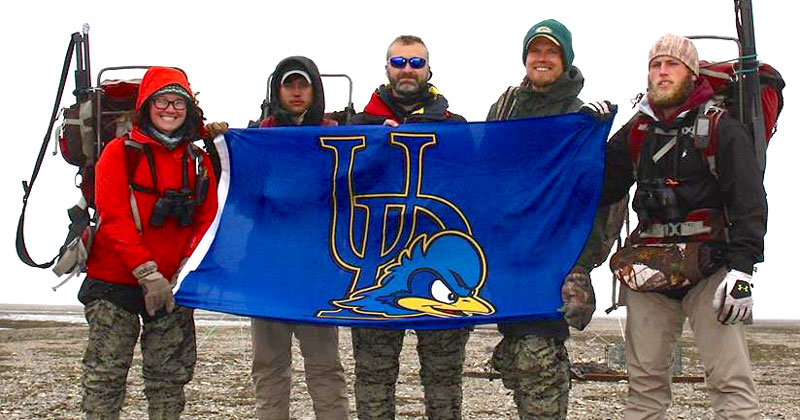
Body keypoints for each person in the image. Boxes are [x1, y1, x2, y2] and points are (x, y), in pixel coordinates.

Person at [601, 34, 765, 419]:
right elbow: (603, 185)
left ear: (691, 73)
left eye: (671, 65)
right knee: (644, 391)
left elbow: (749, 200)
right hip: (648, 271)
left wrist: (743, 269)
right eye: (655, 65)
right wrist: (589, 133)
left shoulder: (721, 128)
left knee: (730, 385)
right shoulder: (638, 131)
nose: (662, 72)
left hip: (712, 269)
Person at [207, 56, 349, 420]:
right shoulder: (257, 137)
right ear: (277, 90)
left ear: (315, 89)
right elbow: (233, 191)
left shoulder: (339, 136)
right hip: (266, 271)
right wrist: (218, 145)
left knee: (325, 367)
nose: (297, 92)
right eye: (289, 85)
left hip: (317, 271)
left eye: (304, 85)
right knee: (269, 367)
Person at [486, 18, 611, 419]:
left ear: (565, 59)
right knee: (519, 352)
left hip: (556, 256)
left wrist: (584, 262)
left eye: (552, 52)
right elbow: (483, 173)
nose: (542, 58)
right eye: (535, 51)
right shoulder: (504, 109)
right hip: (510, 254)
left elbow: (601, 196)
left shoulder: (579, 118)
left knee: (538, 351)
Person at [79, 66, 218, 419]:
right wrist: (147, 274)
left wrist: (180, 274)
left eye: (178, 102)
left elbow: (207, 221)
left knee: (168, 380)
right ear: (146, 105)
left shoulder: (199, 161)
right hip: (114, 284)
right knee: (105, 380)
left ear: (189, 110)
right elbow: (113, 218)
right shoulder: (118, 152)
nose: (170, 109)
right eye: (162, 101)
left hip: (172, 289)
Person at [349, 35, 468, 420]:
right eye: (399, 62)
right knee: (373, 380)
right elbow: (334, 186)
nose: (407, 70)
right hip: (375, 269)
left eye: (416, 63)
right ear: (386, 69)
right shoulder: (354, 125)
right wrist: (371, 147)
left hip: (439, 271)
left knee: (444, 380)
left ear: (429, 70)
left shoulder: (456, 127)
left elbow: (478, 187)